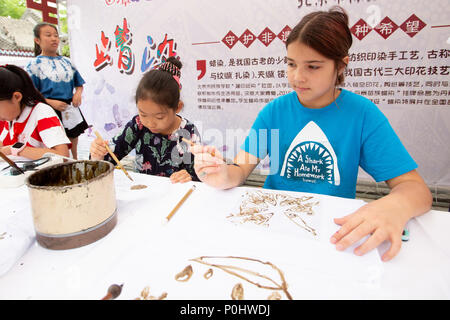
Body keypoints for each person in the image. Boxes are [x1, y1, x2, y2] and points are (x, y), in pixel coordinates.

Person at [190, 7, 432, 261]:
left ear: (340, 65)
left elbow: (416, 190)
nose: (297, 77)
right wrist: (220, 173)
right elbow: (239, 171)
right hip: (273, 227)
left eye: (313, 67)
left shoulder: (362, 115)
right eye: (291, 64)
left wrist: (394, 206)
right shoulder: (275, 112)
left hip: (329, 236)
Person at [90, 57, 201, 183]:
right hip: (143, 191)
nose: (150, 123)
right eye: (143, 114)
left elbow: (199, 173)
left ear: (177, 107)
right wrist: (98, 155)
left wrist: (188, 176)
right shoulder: (138, 125)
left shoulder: (187, 132)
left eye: (159, 117)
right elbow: (110, 157)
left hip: (175, 195)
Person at [26, 22, 89, 159]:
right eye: (48, 35)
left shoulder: (67, 62)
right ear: (37, 40)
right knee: (56, 138)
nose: (54, 39)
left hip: (69, 106)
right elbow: (30, 92)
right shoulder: (34, 65)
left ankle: (75, 158)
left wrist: (78, 94)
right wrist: (49, 102)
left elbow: (79, 83)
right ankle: (59, 161)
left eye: (56, 35)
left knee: (73, 133)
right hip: (48, 107)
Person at [0, 65, 70, 159]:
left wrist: (14, 149)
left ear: (17, 97)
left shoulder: (42, 112)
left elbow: (62, 156)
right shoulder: (11, 117)